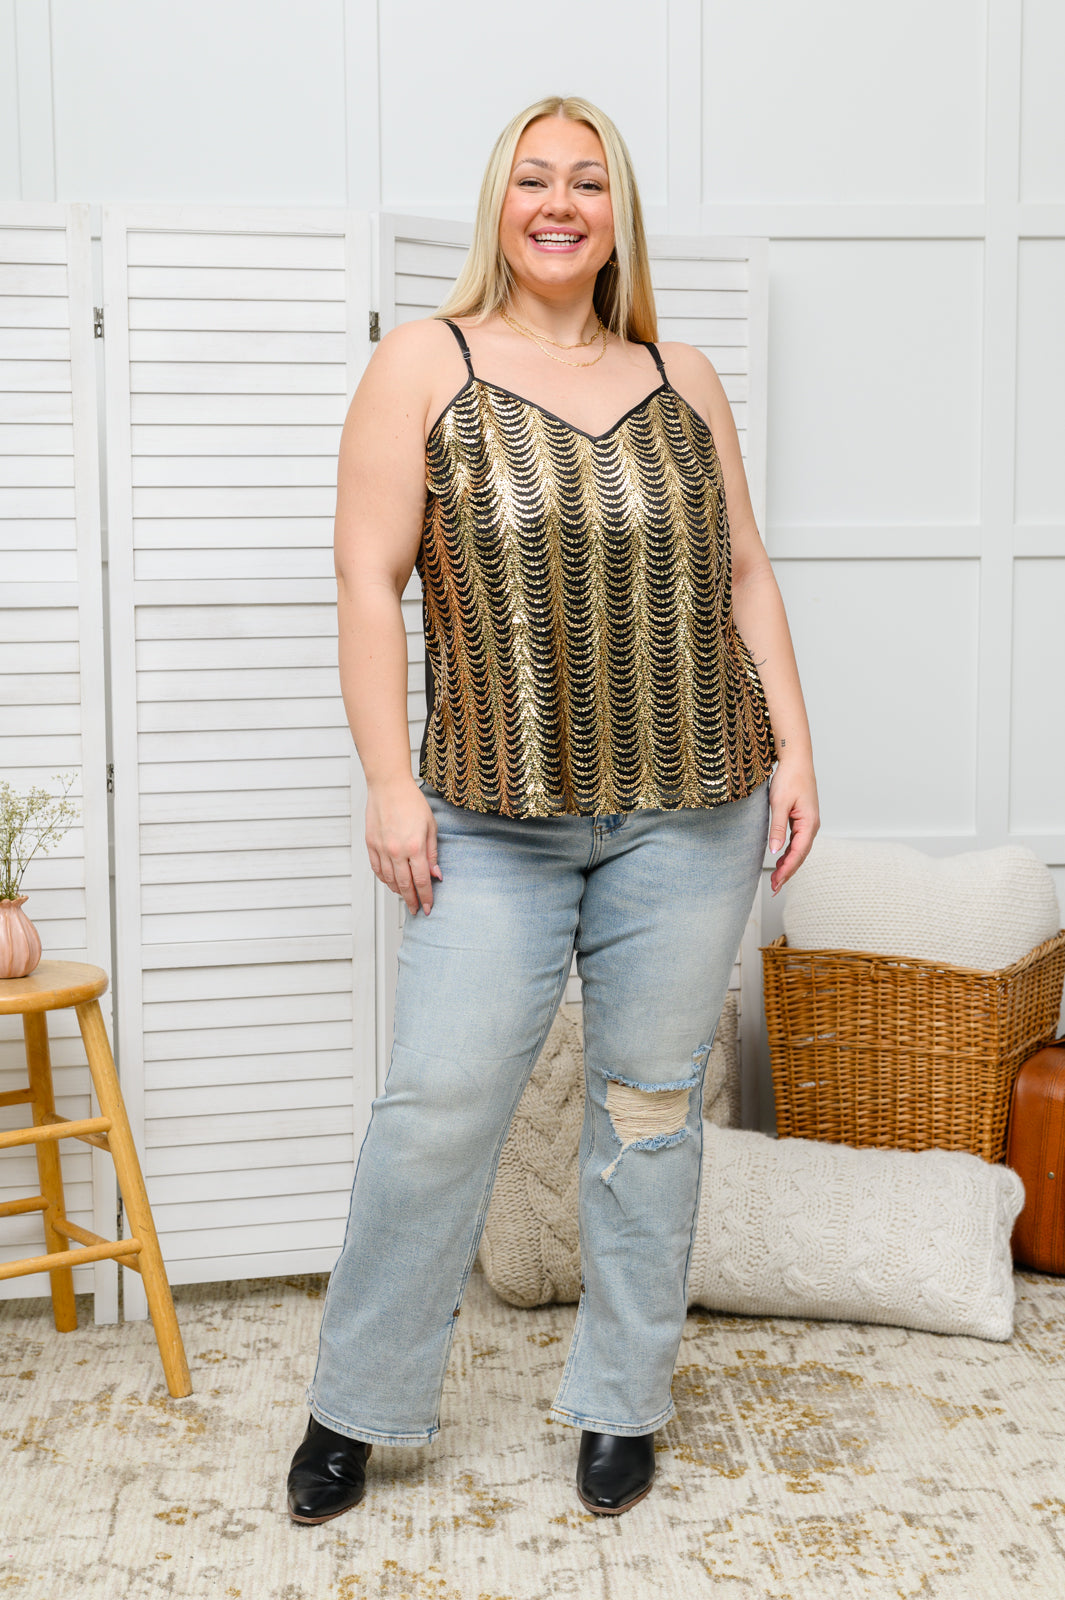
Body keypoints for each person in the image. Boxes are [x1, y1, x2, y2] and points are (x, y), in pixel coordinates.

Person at [286, 94, 819, 1524]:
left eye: (588, 181)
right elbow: (364, 583)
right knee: (438, 1106)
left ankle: (620, 1404)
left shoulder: (680, 374)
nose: (561, 203)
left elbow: (745, 574)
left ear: (616, 215)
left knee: (648, 1112)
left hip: (692, 812)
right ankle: (355, 1408)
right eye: (535, 179)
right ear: (500, 205)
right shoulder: (427, 362)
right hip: (489, 818)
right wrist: (388, 783)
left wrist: (795, 749)